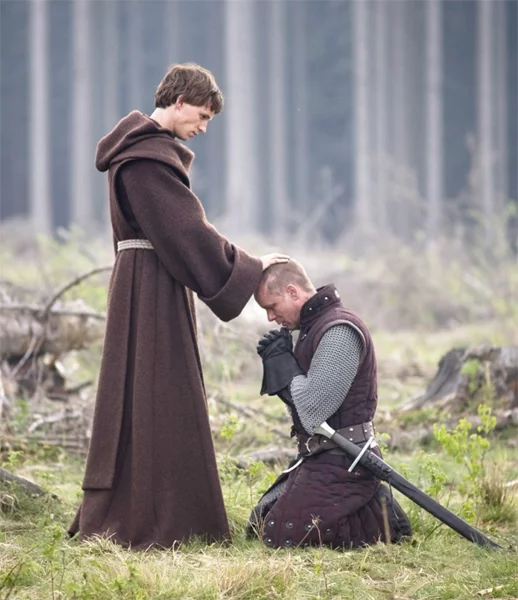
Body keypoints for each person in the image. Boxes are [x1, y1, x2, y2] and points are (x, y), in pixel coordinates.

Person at [69, 63, 288, 550]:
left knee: (151, 392)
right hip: (150, 288)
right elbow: (188, 231)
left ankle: (153, 511)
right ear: (180, 101)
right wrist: (251, 267)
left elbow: (183, 230)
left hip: (149, 281)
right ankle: (157, 518)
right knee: (157, 391)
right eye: (203, 116)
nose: (204, 127)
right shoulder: (146, 160)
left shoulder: (141, 152)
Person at [248, 259, 412, 549]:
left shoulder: (339, 329)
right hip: (320, 456)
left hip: (348, 460)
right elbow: (306, 412)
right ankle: (368, 505)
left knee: (281, 534)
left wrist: (284, 367)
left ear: (292, 292)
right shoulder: (311, 329)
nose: (271, 317)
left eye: (272, 306)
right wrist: (282, 366)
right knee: (261, 520)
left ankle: (382, 516)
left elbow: (312, 411)